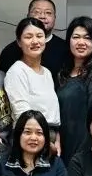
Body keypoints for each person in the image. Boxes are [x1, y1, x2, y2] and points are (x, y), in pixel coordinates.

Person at [57, 16, 92, 164]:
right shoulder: (63, 74)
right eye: (76, 37)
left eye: (87, 38)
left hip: (86, 153)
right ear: (69, 41)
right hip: (63, 148)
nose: (81, 42)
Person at [5, 17, 62, 154]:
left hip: (51, 137)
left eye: (39, 36)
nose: (35, 41)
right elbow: (21, 113)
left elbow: (53, 114)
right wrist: (45, 143)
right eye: (28, 37)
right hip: (31, 138)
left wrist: (57, 140)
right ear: (19, 42)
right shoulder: (17, 71)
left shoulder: (47, 73)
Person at [0, 0, 70, 77]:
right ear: (28, 16)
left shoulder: (66, 49)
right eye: (37, 12)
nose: (42, 16)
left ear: (54, 18)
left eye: (48, 13)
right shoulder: (9, 52)